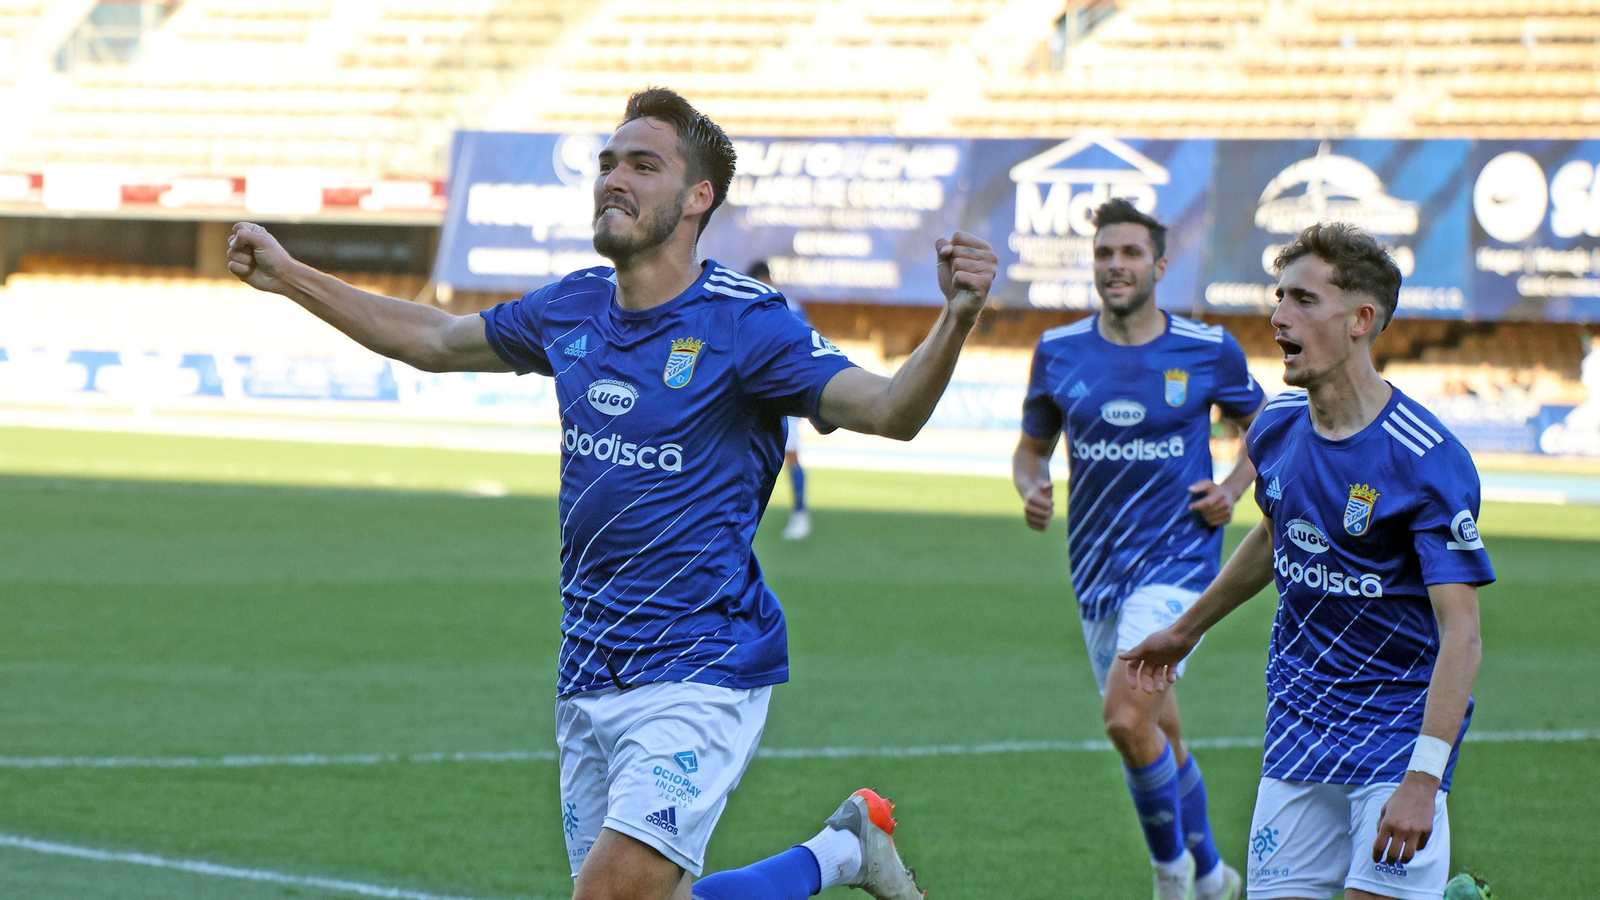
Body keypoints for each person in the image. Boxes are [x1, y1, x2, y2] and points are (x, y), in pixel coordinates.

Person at [226, 87, 996, 900]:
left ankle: (840, 853)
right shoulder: (574, 305)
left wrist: (958, 318)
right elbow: (434, 338)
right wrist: (287, 275)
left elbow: (889, 410)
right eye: (606, 163)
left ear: (699, 198)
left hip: (701, 667)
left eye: (642, 164)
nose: (612, 179)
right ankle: (840, 852)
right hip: (589, 669)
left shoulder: (747, 325)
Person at [1121, 223, 1493, 900]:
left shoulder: (1427, 459)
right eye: (1277, 296)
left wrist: (1423, 779)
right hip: (1298, 731)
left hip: (1395, 737)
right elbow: (1274, 535)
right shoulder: (1277, 427)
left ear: (1360, 319)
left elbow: (1462, 636)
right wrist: (1187, 628)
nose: (1277, 316)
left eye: (1302, 300)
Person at [1013, 198, 1263, 900]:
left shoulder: (1207, 348)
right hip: (1095, 572)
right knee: (1160, 731)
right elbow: (1030, 451)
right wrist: (1032, 487)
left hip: (1179, 566)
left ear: (1158, 265)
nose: (1115, 265)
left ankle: (1171, 877)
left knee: (1126, 718)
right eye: (1103, 253)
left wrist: (1236, 485)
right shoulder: (1059, 351)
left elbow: (1266, 424)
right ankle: (1214, 874)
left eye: (1129, 253)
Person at [747, 260, 811, 540]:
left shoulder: (770, 304)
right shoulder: (786, 303)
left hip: (777, 390)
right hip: (777, 389)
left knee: (788, 454)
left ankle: (800, 513)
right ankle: (797, 515)